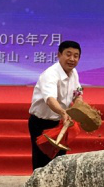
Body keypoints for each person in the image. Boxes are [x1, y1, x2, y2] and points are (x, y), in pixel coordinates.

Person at [28, 40, 83, 170]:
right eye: (68, 54)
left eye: (76, 56)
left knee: (59, 160)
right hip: (42, 123)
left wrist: (79, 104)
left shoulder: (73, 73)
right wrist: (63, 113)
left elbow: (78, 91)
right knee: (42, 162)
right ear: (58, 55)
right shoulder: (50, 74)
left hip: (60, 122)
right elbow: (50, 99)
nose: (72, 59)